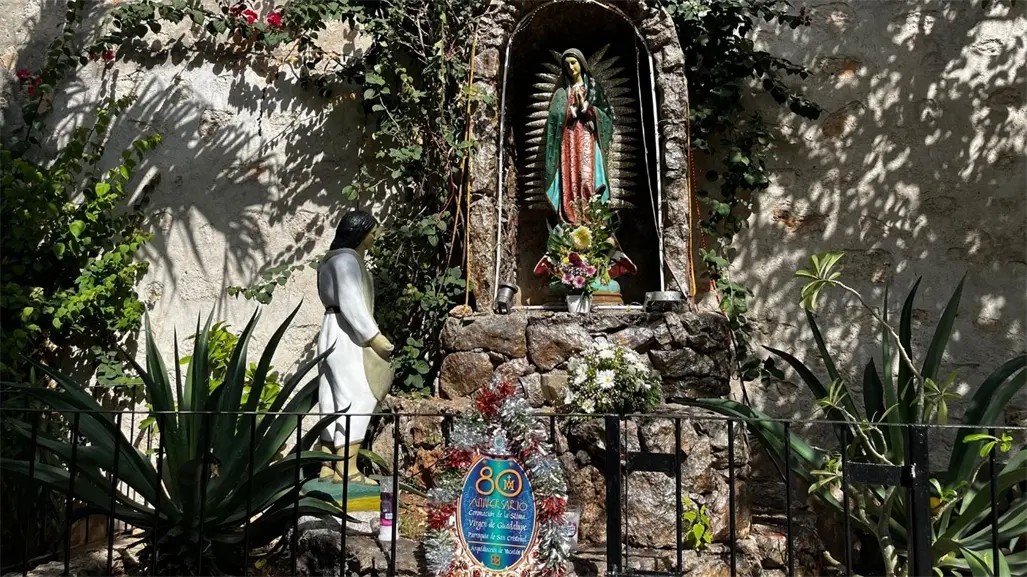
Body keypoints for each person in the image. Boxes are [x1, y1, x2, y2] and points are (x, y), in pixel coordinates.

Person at [316, 210, 394, 484]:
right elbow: (351, 301)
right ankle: (347, 470)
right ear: (360, 233)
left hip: (330, 328)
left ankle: (327, 465)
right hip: (347, 333)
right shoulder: (348, 260)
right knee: (359, 396)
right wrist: (374, 337)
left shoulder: (330, 259)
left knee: (331, 399)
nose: (375, 236)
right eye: (372, 232)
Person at [543, 48, 615, 225]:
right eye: (567, 65)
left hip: (588, 138)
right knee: (569, 177)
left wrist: (586, 107)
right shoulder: (561, 93)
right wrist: (571, 111)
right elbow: (554, 118)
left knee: (587, 177)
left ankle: (592, 221)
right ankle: (571, 220)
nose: (571, 67)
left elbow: (606, 117)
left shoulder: (593, 88)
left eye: (573, 63)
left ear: (581, 64)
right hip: (567, 140)